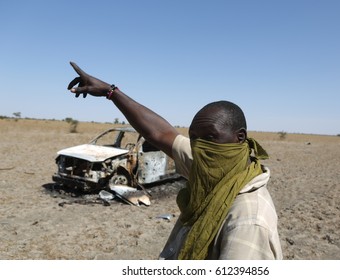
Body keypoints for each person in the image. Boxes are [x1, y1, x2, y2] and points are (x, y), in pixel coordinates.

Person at [67, 62, 283, 260]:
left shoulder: (248, 220)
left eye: (209, 138)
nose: (199, 148)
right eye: (194, 139)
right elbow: (160, 133)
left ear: (240, 137)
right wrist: (110, 92)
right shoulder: (209, 165)